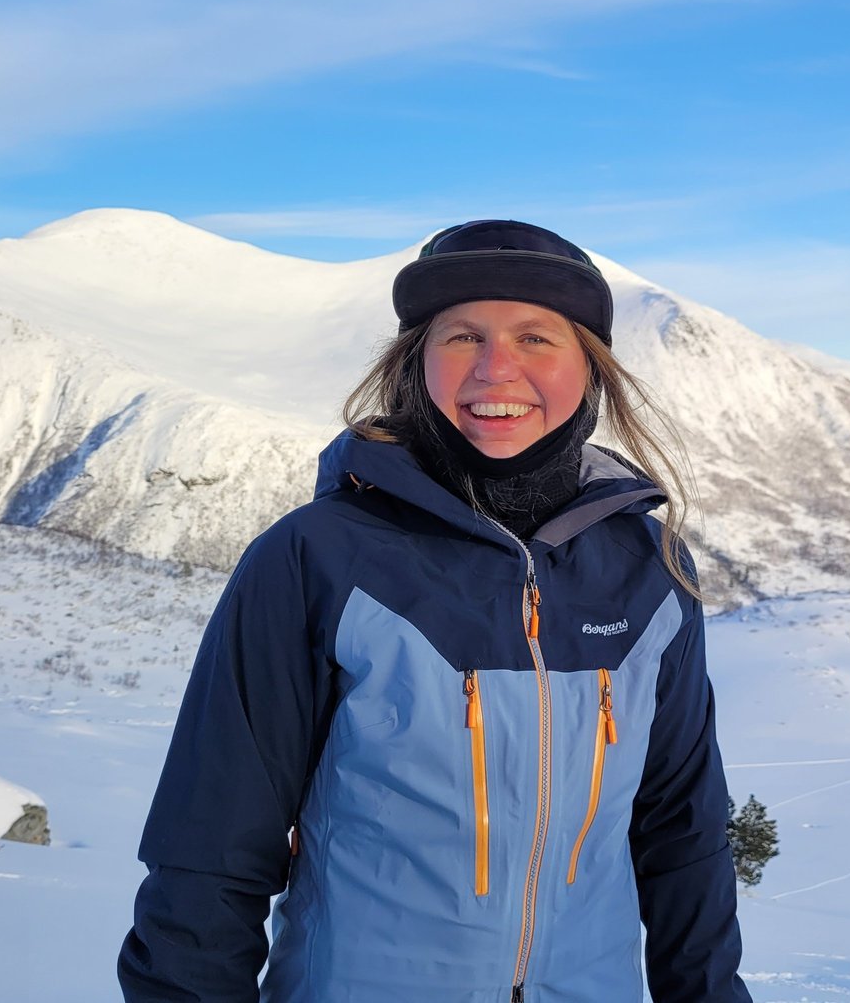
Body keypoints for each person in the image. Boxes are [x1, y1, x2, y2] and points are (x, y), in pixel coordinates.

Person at [117, 220, 753, 1002]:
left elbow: (682, 834)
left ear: (589, 369)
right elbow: (210, 847)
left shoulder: (649, 569)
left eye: (536, 338)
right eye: (461, 336)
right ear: (415, 364)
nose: (496, 369)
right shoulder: (320, 557)